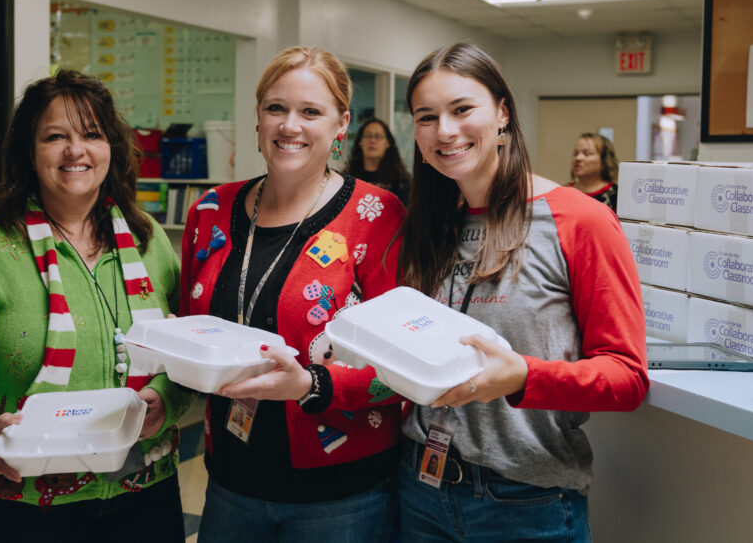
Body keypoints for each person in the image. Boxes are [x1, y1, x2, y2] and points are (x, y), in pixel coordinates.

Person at [0, 69, 193, 541]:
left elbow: (183, 348)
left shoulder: (149, 241)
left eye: (92, 134)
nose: (76, 150)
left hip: (145, 493)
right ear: (31, 151)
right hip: (25, 504)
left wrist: (166, 400)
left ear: (112, 147)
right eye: (55, 136)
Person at [397, 42, 649, 542]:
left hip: (523, 502)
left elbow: (626, 377)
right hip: (419, 491)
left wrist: (522, 377)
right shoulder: (426, 225)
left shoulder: (579, 220)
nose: (444, 131)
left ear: (503, 114)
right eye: (426, 117)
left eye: (462, 109)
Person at [179, 46, 405, 542]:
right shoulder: (210, 211)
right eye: (276, 108)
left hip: (342, 494)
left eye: (310, 112)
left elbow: (403, 371)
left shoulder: (377, 216)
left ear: (341, 124)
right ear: (257, 117)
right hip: (230, 482)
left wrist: (312, 385)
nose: (289, 126)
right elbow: (187, 334)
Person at [344, 117, 411, 205]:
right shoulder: (346, 177)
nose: (372, 140)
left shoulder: (401, 180)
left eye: (378, 136)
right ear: (360, 142)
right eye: (367, 136)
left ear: (387, 143)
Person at [568, 132, 619, 212]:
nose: (578, 158)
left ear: (604, 161)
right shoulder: (564, 191)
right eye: (576, 153)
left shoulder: (616, 195)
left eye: (586, 154)